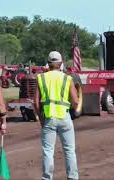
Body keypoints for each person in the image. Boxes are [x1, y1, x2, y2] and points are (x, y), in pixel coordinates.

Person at [34, 51, 79, 180]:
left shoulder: (41, 78)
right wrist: (74, 109)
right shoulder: (67, 78)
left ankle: (47, 178)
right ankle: (72, 177)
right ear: (60, 63)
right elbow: (75, 101)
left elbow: (36, 102)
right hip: (64, 117)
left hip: (49, 118)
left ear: (48, 64)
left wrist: (41, 119)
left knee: (48, 152)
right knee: (69, 151)